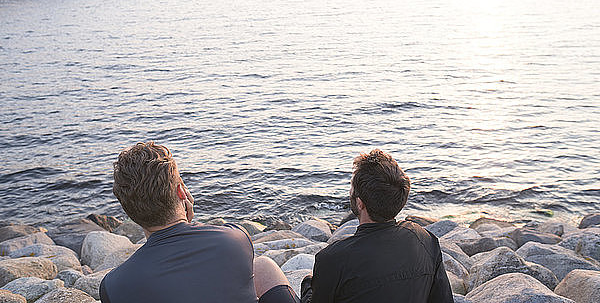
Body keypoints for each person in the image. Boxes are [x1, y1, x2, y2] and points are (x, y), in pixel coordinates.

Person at [100, 142, 300, 303]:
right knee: (263, 265)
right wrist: (185, 222)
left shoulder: (113, 285)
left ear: (128, 210)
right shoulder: (234, 239)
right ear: (182, 193)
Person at [300, 149, 453, 303]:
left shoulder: (333, 259)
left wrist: (307, 287)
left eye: (352, 187)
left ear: (360, 204)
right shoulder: (425, 239)